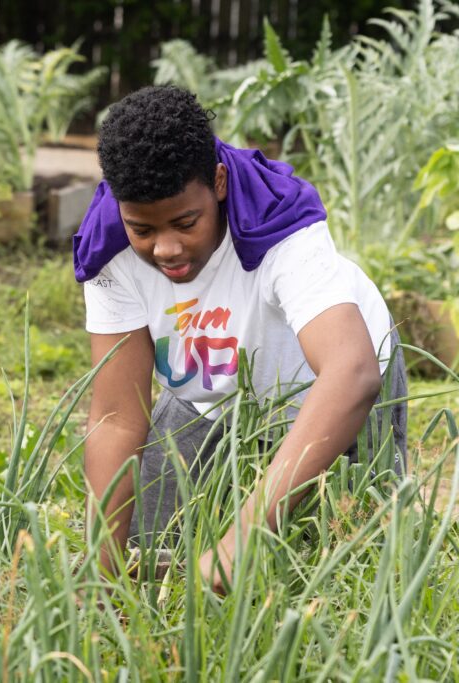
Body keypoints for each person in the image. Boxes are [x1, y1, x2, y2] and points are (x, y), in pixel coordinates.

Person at [75, 86, 406, 591]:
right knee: (144, 548)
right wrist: (100, 573)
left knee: (346, 568)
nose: (166, 248)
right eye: (143, 229)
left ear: (219, 182)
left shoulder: (280, 223)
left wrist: (240, 541)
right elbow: (117, 416)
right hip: (208, 395)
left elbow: (350, 373)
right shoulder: (107, 249)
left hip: (324, 397)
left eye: (186, 222)